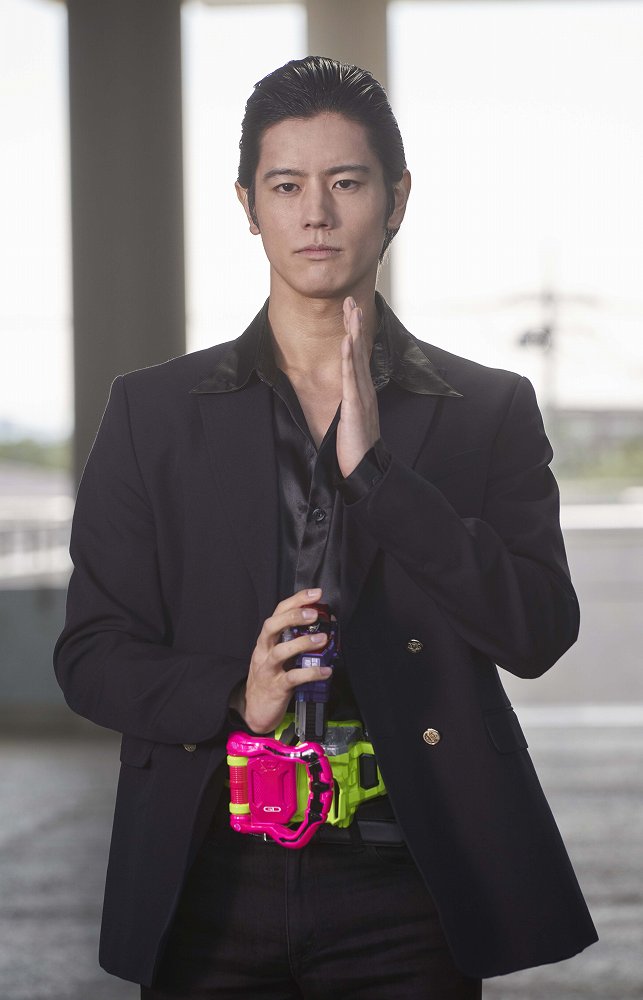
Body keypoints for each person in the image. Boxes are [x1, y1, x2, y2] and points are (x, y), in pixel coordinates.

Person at [54, 56, 597, 998]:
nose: (315, 212)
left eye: (345, 183)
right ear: (247, 204)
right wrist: (237, 692)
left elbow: (538, 631)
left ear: (396, 200)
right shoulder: (152, 412)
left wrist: (382, 479)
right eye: (285, 185)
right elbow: (90, 654)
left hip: (410, 883)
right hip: (209, 873)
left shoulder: (487, 408)